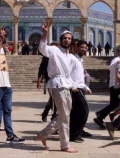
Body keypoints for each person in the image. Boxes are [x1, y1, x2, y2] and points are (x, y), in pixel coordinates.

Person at [36, 23, 78, 153]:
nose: (67, 40)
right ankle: (65, 144)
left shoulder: (69, 56)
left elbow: (69, 74)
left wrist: (74, 86)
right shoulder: (54, 50)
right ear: (61, 40)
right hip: (56, 84)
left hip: (66, 86)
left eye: (69, 38)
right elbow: (43, 49)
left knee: (65, 114)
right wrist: (44, 34)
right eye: (65, 38)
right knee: (64, 116)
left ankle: (44, 133)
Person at [94, 45, 120, 129]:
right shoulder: (119, 61)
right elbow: (118, 75)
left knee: (117, 102)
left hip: (114, 85)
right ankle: (103, 116)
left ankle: (102, 115)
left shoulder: (114, 60)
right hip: (118, 86)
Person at [69, 40, 92, 143]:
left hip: (80, 87)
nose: (84, 49)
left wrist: (86, 87)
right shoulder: (73, 59)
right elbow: (67, 74)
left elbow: (79, 77)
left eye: (85, 48)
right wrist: (73, 87)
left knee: (76, 113)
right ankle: (75, 134)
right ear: (76, 48)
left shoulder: (79, 61)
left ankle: (76, 132)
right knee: (84, 111)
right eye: (82, 47)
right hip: (75, 89)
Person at [37, 46, 57, 122]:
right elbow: (40, 70)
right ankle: (53, 117)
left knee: (53, 98)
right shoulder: (46, 59)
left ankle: (45, 113)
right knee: (54, 98)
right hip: (49, 81)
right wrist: (39, 81)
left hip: (57, 81)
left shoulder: (56, 58)